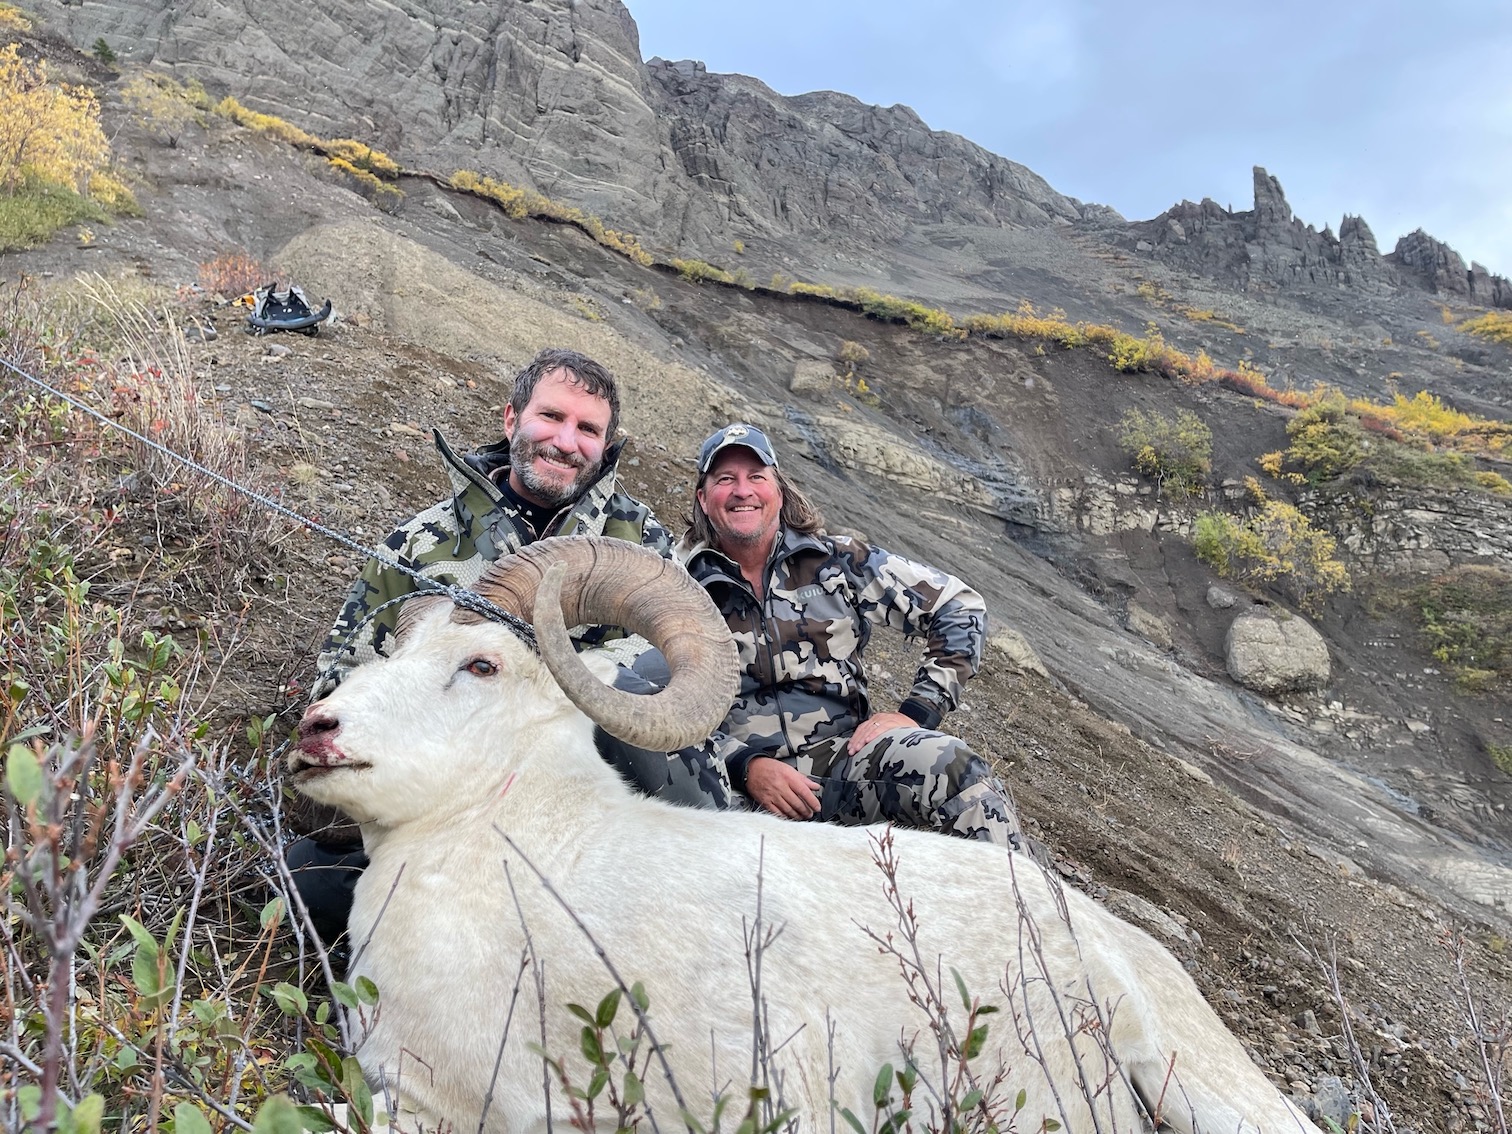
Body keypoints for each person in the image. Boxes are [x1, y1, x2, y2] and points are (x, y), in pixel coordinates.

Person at [288, 348, 731, 943]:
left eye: (587, 429)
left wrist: (560, 679)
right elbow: (342, 678)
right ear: (511, 419)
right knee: (306, 879)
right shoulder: (420, 546)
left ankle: (681, 912)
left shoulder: (640, 541)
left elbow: (686, 674)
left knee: (639, 698)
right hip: (448, 794)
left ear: (604, 445)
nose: (566, 441)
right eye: (551, 417)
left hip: (576, 799)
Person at [679, 422, 1020, 848]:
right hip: (730, 788)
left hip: (845, 765)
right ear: (703, 500)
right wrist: (744, 766)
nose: (742, 490)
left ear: (778, 491)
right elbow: (650, 696)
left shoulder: (837, 561)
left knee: (954, 768)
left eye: (757, 477)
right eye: (725, 479)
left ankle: (1027, 908)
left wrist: (918, 713)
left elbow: (958, 605)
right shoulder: (675, 584)